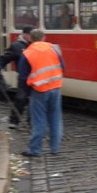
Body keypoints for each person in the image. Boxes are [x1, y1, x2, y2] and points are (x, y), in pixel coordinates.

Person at [18, 29, 64, 157]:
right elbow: (62, 66)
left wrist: (26, 93)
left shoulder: (27, 53)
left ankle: (35, 150)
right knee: (55, 119)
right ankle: (55, 148)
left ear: (30, 39)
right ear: (44, 37)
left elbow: (23, 76)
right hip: (55, 87)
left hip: (39, 90)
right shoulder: (54, 48)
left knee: (39, 120)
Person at [1, 26, 33, 128]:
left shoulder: (34, 44)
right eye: (29, 35)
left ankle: (31, 121)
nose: (31, 37)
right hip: (23, 77)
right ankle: (14, 120)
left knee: (33, 99)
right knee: (21, 99)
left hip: (35, 77)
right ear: (24, 34)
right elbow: (6, 58)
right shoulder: (17, 46)